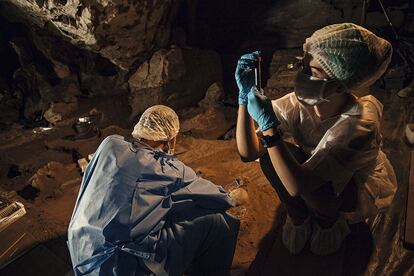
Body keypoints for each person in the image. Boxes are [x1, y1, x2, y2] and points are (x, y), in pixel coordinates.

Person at [235, 23, 397, 256]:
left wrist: (269, 128)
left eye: (312, 72)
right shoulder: (299, 103)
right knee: (270, 159)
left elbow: (299, 185)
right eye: (303, 65)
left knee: (314, 190)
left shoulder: (360, 124)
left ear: (342, 85)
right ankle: (299, 215)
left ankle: (327, 220)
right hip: (311, 170)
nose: (300, 75)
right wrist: (244, 98)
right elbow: (248, 153)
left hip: (350, 178)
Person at [67, 105, 248, 275]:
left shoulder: (110, 144)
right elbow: (217, 198)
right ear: (171, 138)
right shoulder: (168, 169)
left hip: (82, 252)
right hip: (120, 265)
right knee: (217, 221)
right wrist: (233, 196)